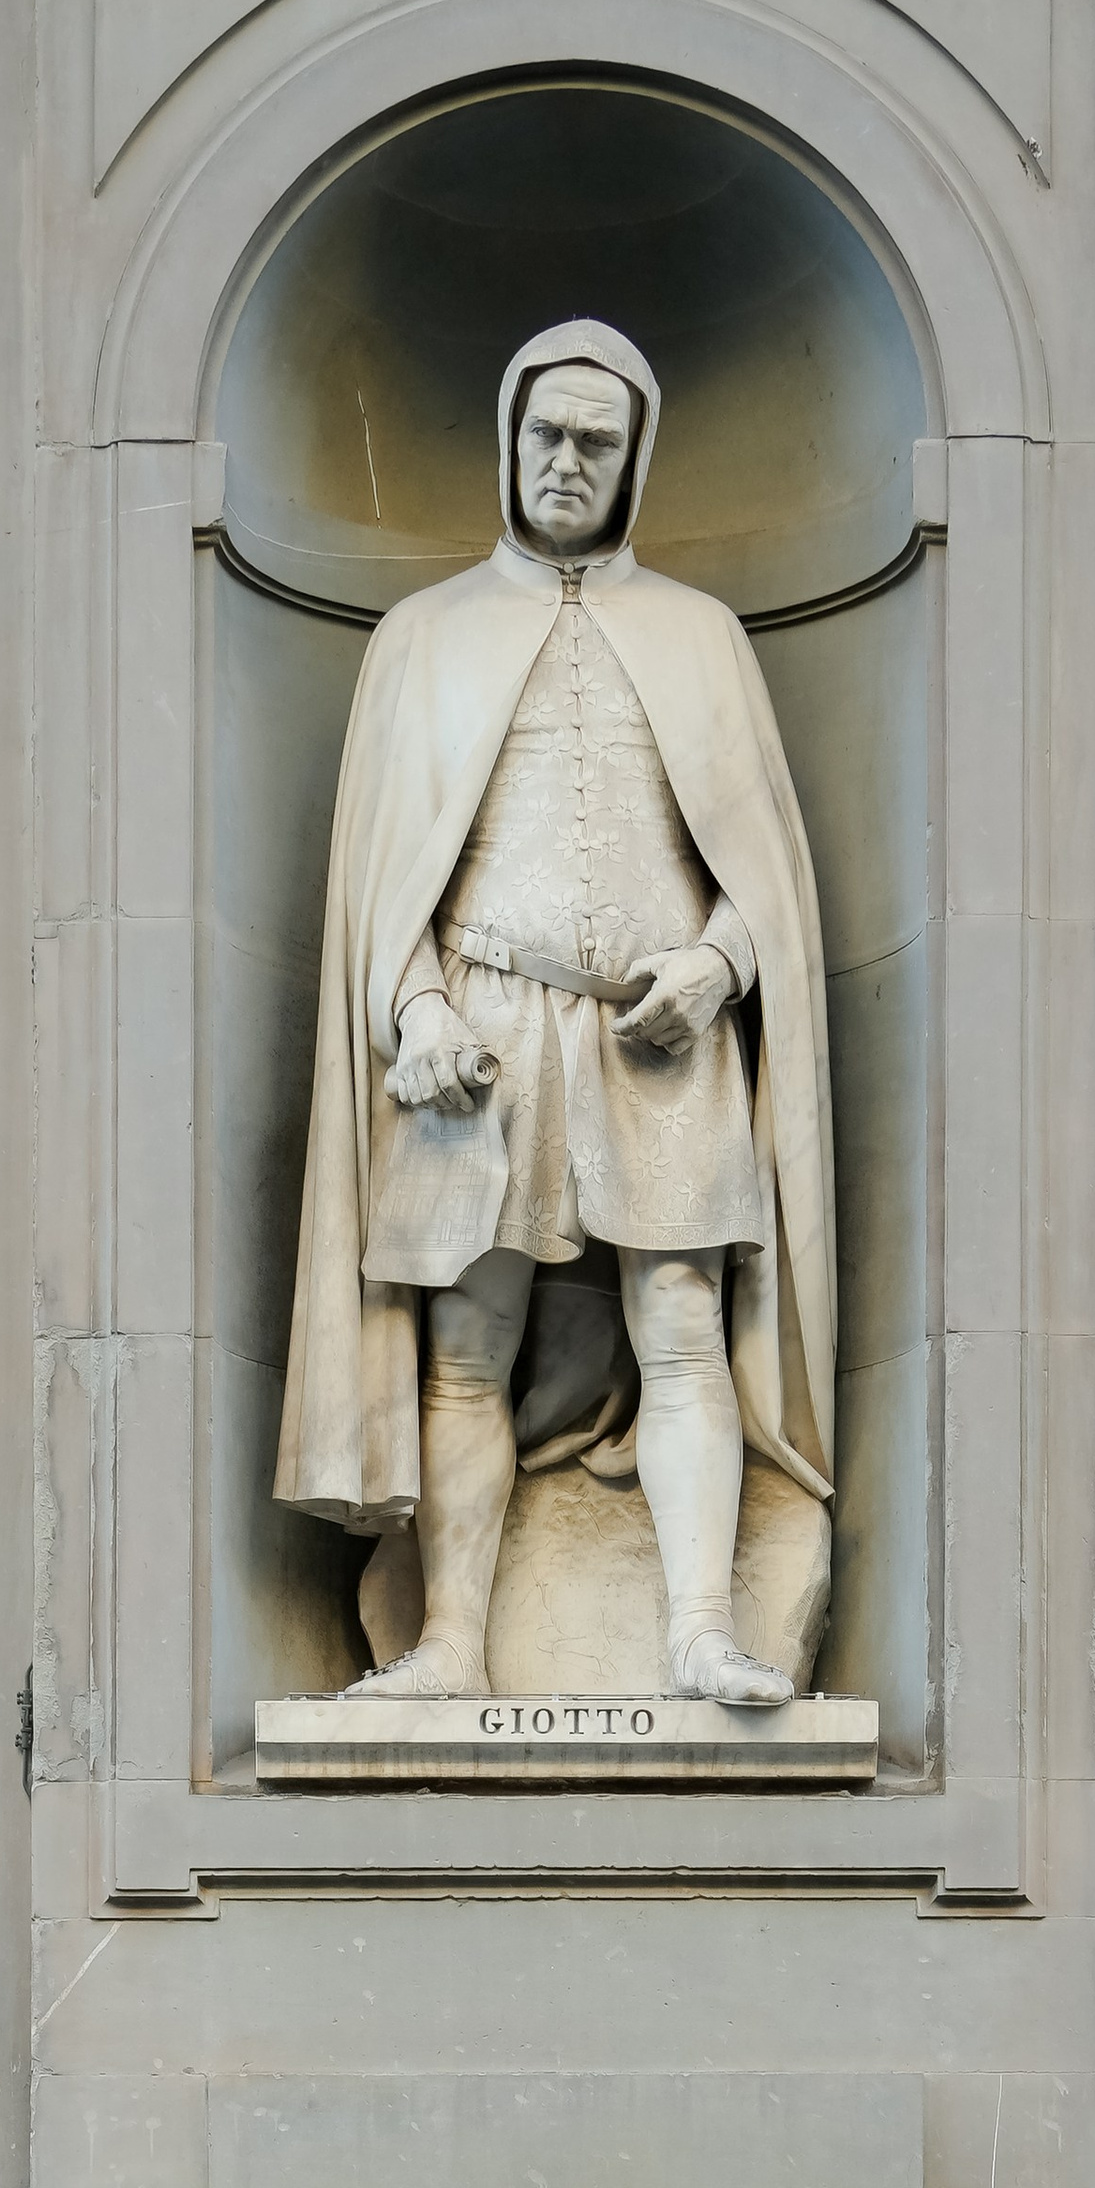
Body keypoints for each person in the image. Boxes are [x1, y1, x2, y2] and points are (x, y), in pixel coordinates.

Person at [274, 313, 837, 1709]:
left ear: (637, 458)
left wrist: (714, 968)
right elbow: (378, 880)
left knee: (684, 1312)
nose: (567, 461)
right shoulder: (425, 635)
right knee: (467, 1345)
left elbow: (764, 865)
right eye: (546, 434)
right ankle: (454, 1643)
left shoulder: (700, 635)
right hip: (483, 1022)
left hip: (661, 1034)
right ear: (507, 441)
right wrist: (412, 1014)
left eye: (597, 440)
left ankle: (701, 1629)